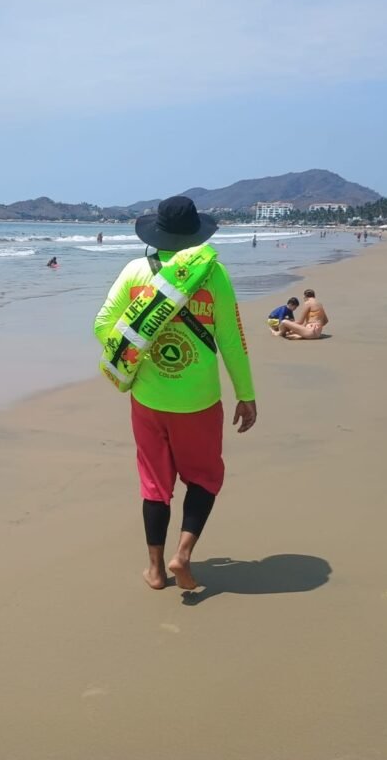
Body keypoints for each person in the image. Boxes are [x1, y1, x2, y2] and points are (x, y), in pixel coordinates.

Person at [93, 196, 256, 592]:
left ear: (158, 233)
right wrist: (246, 394)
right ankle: (182, 554)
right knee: (204, 478)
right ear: (195, 234)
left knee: (154, 484)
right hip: (199, 401)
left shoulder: (135, 271)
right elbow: (231, 341)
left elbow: (103, 324)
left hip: (148, 399)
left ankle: (154, 570)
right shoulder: (214, 274)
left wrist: (136, 357)